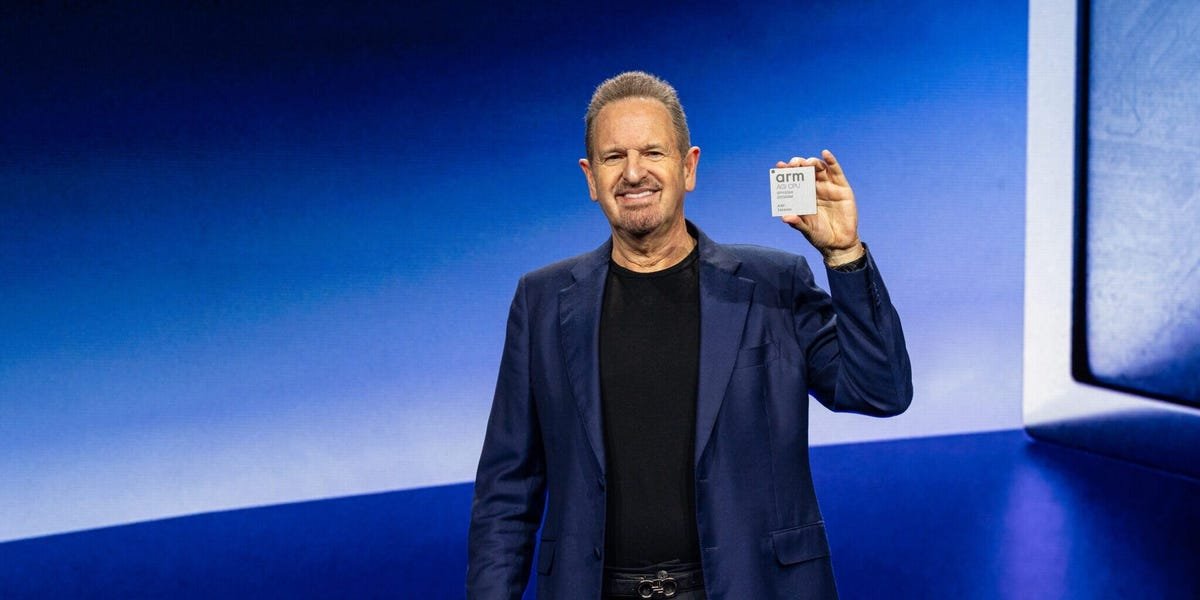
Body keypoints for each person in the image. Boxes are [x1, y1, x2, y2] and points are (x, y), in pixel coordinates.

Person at [467, 71, 912, 600]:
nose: (634, 172)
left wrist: (843, 255)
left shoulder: (774, 284)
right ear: (590, 177)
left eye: (653, 152)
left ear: (688, 166)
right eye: (614, 157)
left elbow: (881, 391)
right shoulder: (541, 300)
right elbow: (507, 490)